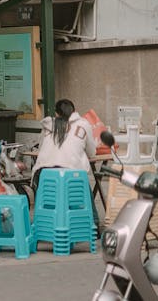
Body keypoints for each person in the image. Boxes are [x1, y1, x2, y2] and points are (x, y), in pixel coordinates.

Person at [32, 98, 99, 231]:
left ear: (56, 114)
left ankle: (45, 225)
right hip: (71, 177)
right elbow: (92, 152)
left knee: (50, 193)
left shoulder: (48, 126)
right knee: (82, 182)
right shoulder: (83, 125)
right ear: (74, 111)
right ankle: (94, 225)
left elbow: (41, 148)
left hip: (44, 176)